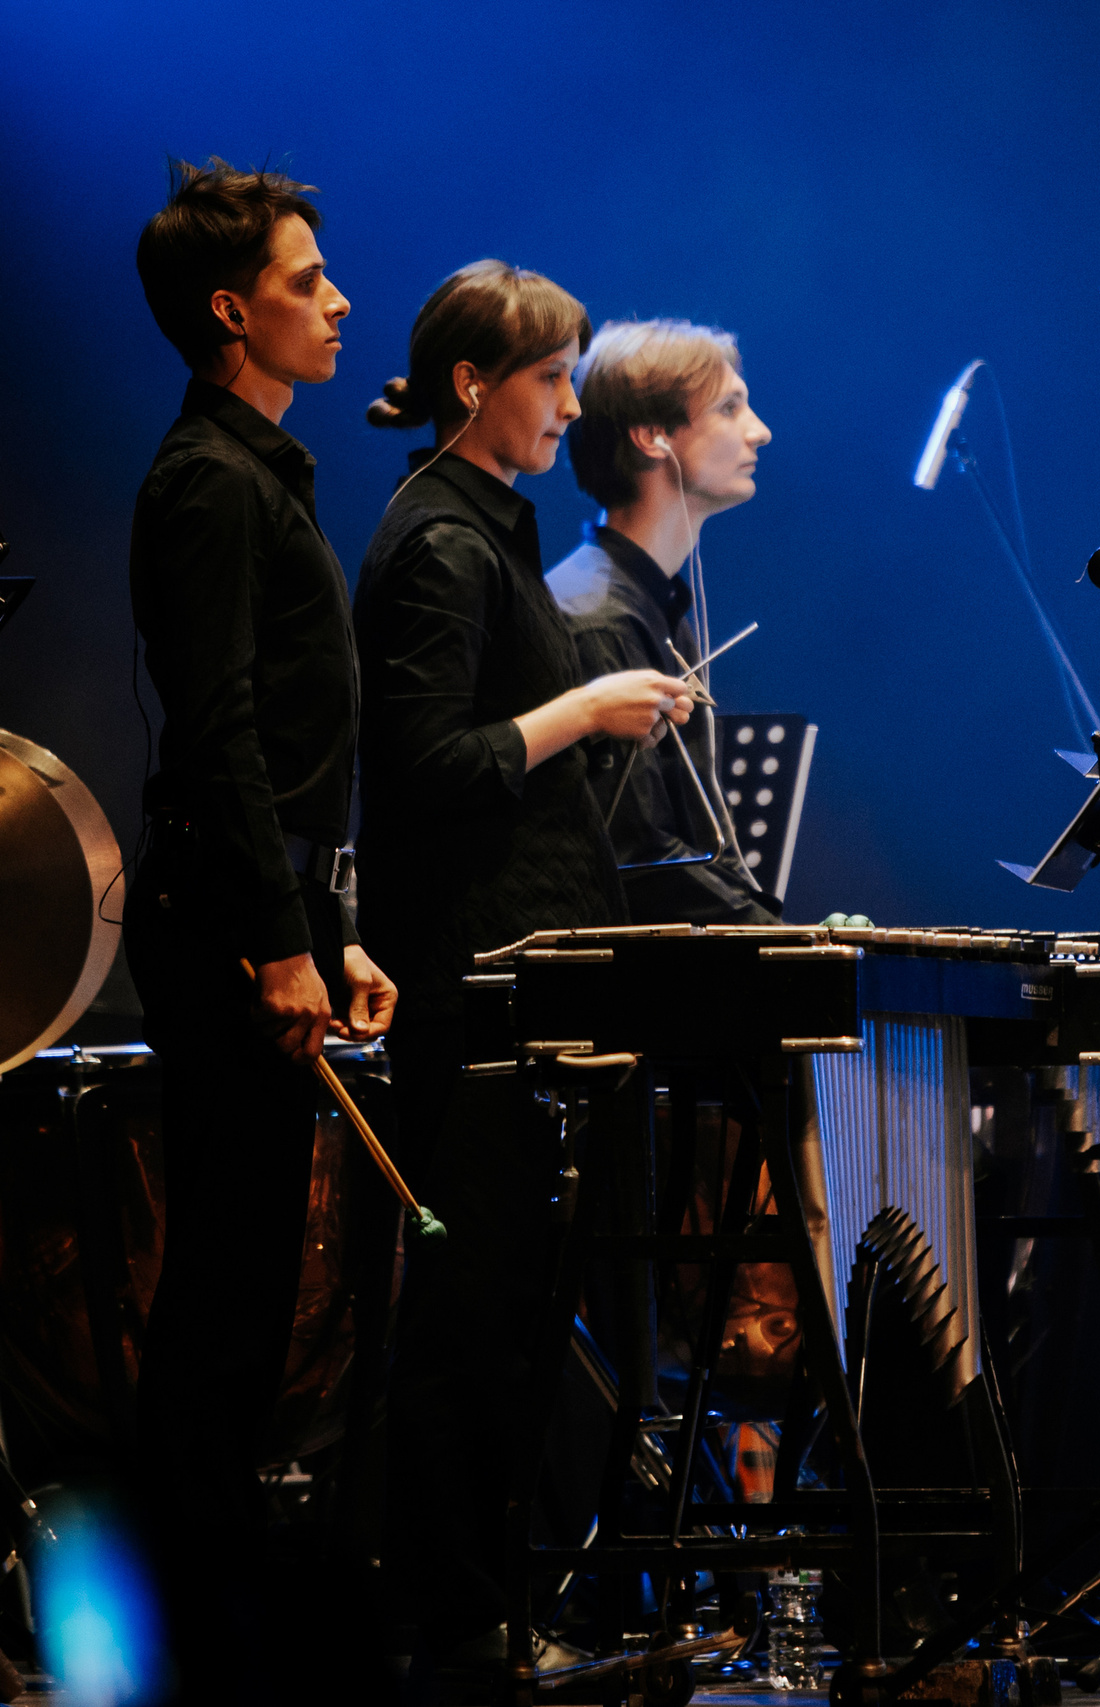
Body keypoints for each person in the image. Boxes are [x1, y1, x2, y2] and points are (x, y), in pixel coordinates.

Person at [356, 260, 696, 1693]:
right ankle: (465, 1627)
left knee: (514, 1326)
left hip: (532, 975)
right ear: (470, 387)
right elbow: (425, 765)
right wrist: (584, 708)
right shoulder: (437, 544)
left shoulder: (489, 529)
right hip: (477, 985)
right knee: (469, 1331)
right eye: (551, 378)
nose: (571, 403)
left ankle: (510, 1613)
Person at [125, 159, 397, 1701]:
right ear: (235, 310)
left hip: (266, 910)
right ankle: (195, 1636)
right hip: (223, 921)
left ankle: (219, 1622)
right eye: (309, 279)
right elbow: (218, 736)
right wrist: (277, 936)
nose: (339, 298)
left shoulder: (261, 468)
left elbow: (296, 749)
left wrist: (328, 924)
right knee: (224, 1291)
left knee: (238, 1278)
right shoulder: (208, 481)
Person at [547, 318, 778, 923]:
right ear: (653, 436)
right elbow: (641, 858)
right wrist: (789, 941)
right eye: (730, 409)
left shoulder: (650, 604)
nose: (760, 432)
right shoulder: (598, 616)